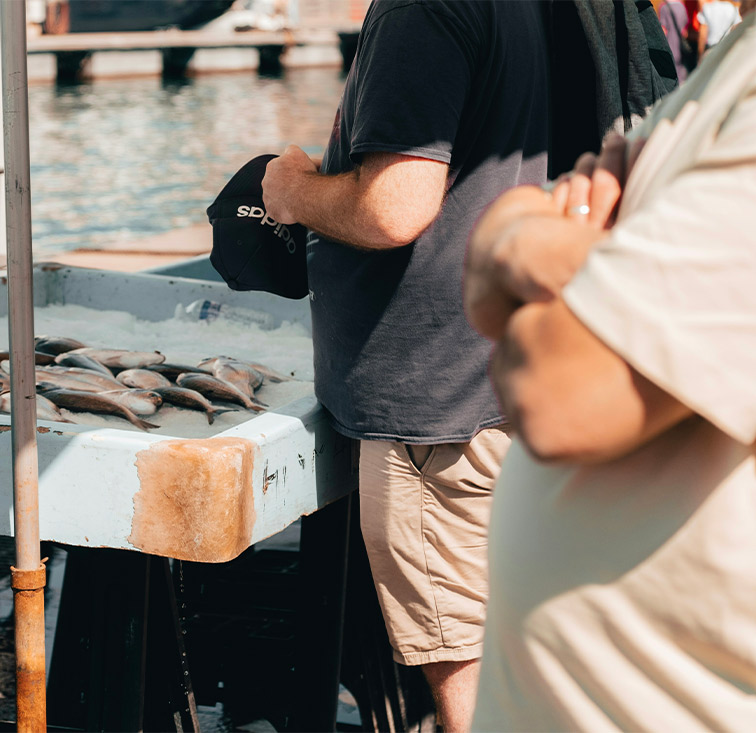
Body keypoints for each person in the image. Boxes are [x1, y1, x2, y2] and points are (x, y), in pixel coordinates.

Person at [259, 1, 672, 728]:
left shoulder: (424, 7)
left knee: (477, 689)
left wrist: (291, 189)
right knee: (552, 667)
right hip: (536, 376)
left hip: (440, 414)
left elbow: (394, 206)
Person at [464, 14, 756, 731]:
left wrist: (511, 236)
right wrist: (538, 245)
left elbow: (560, 391)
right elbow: (483, 291)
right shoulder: (728, 70)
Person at [657, 0, 692, 81]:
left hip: (669, 45)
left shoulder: (663, 7)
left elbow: (663, 30)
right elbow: (685, 30)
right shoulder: (681, 6)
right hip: (681, 46)